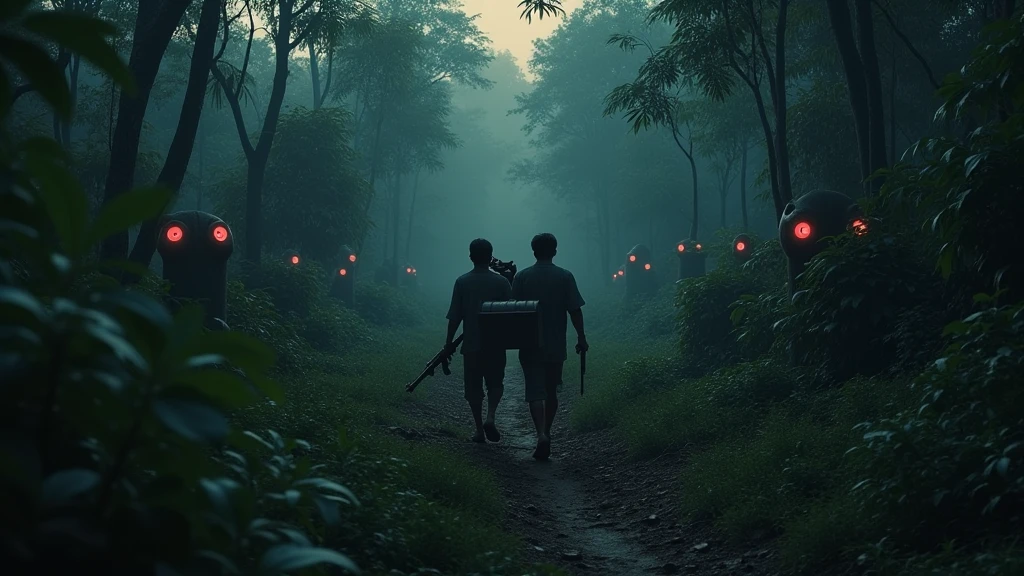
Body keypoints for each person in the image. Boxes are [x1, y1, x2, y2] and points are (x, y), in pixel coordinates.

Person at [511, 233, 588, 461]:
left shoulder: (522, 277)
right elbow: (575, 310)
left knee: (534, 391)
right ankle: (548, 431)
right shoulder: (565, 276)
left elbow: (512, 309)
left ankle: (540, 434)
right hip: (556, 343)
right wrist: (581, 337)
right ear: (554, 251)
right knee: (551, 390)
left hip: (529, 343)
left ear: (533, 251)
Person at [445, 238, 513, 443]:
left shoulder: (462, 282)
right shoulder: (501, 282)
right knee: (495, 383)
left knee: (473, 388)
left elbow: (455, 316)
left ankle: (478, 430)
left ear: (471, 257)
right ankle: (490, 416)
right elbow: (511, 312)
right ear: (490, 257)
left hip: (472, 344)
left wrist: (448, 343)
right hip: (496, 344)